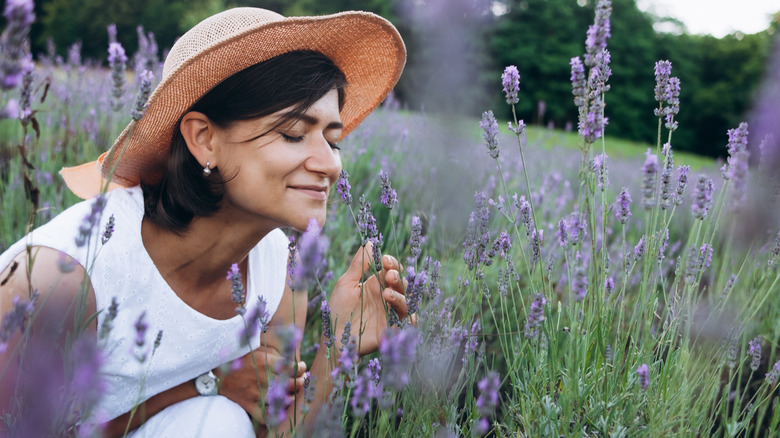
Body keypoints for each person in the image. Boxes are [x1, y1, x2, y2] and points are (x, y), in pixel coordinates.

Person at [0, 7, 407, 437]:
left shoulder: (282, 270)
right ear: (203, 139)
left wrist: (338, 347)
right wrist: (207, 387)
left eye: (333, 140)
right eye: (292, 134)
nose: (330, 165)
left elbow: (278, 429)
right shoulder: (60, 279)